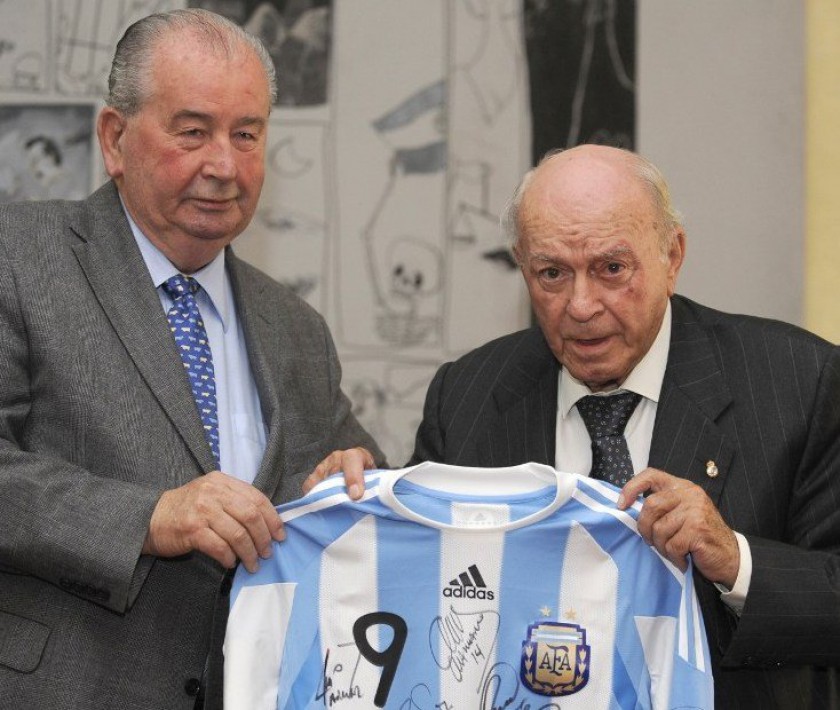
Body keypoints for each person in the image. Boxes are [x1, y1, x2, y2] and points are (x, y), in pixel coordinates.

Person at [317, 144, 840, 709]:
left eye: (611, 269)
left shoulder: (798, 381)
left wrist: (735, 561)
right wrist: (352, 512)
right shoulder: (466, 396)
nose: (581, 305)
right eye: (552, 274)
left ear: (672, 256)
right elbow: (422, 592)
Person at [0, 9, 382, 710]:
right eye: (194, 131)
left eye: (247, 135)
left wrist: (353, 479)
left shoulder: (296, 328)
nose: (225, 165)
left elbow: (359, 482)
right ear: (115, 139)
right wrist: (149, 516)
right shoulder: (18, 259)